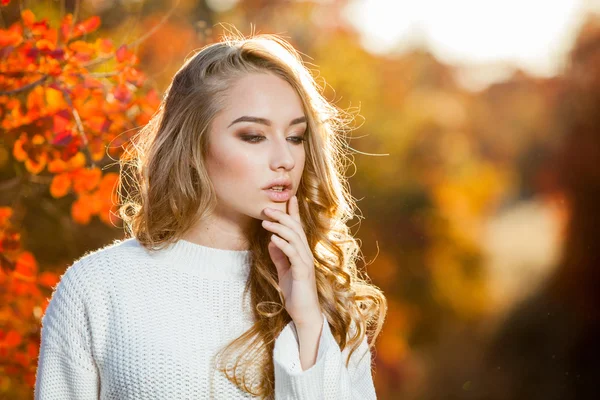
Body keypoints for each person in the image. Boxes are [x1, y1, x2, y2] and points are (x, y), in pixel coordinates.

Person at [34, 30, 387, 399]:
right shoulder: (97, 288)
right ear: (192, 143)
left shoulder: (326, 300)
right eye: (253, 136)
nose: (285, 160)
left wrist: (308, 322)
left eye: (296, 137)